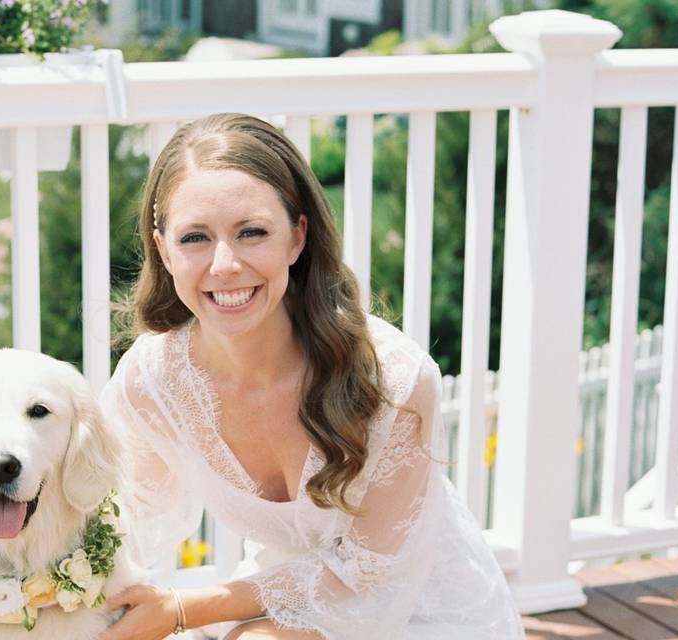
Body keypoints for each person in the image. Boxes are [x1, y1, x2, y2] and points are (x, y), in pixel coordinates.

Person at [97, 113, 524, 640]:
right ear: (164, 250)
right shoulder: (152, 380)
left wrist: (183, 610)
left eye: (251, 232)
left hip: (416, 605)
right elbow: (123, 519)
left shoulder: (393, 379)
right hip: (282, 594)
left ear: (297, 238)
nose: (225, 264)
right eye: (195, 238)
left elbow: (369, 570)